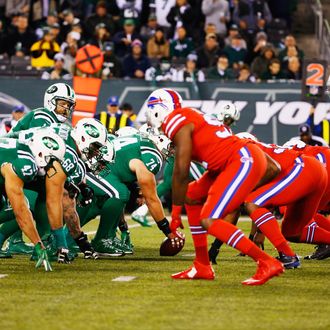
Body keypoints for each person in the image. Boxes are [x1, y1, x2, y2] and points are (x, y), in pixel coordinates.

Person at [146, 88, 284, 285]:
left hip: (239, 160)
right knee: (192, 195)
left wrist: (175, 213)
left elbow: (181, 171)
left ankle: (266, 262)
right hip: (232, 161)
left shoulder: (175, 120)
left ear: (158, 109)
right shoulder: (191, 116)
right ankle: (202, 265)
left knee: (208, 219)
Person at [76, 131, 181, 256]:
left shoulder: (140, 140)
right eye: (172, 147)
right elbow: (152, 199)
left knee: (102, 201)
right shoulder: (152, 156)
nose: (173, 151)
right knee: (120, 193)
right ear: (161, 141)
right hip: (96, 170)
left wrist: (124, 227)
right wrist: (167, 230)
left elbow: (123, 169)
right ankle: (101, 240)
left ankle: (72, 237)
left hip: (90, 168)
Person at [0, 129, 67, 271]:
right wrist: (38, 244)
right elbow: (21, 213)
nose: (51, 166)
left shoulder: (25, 150)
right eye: (51, 160)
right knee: (18, 207)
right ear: (41, 154)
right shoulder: (25, 164)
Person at [132, 125, 205, 227]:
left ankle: (141, 211)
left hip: (175, 153)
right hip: (176, 153)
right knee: (201, 180)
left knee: (169, 184)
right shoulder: (165, 126)